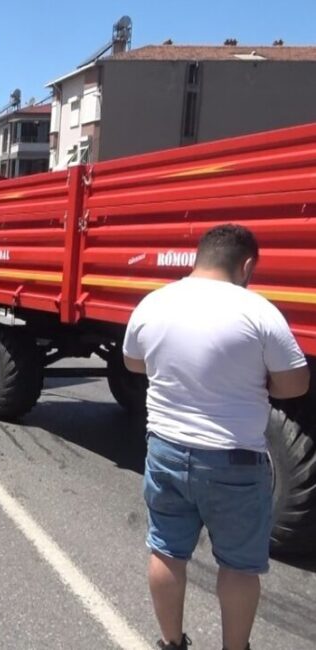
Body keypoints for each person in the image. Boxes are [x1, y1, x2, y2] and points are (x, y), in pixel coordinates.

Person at [122, 224, 309, 650]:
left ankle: (171, 643)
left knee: (167, 550)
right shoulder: (258, 311)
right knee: (240, 567)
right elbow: (295, 383)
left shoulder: (154, 303)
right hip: (235, 461)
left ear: (198, 257)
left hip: (166, 451)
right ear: (246, 266)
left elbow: (135, 364)